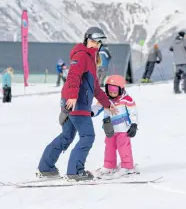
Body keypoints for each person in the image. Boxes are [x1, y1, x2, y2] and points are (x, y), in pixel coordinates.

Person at [37, 26, 117, 182]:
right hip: (76, 103)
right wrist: (72, 97)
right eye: (93, 40)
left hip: (74, 102)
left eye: (98, 42)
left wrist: (107, 104)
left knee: (66, 136)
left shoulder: (90, 59)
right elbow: (73, 76)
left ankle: (46, 167)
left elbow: (95, 88)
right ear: (86, 40)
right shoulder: (81, 55)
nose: (95, 44)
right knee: (87, 136)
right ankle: (75, 172)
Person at [91, 75, 138, 178]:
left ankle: (127, 167)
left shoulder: (127, 99)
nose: (112, 92)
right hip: (110, 129)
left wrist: (134, 124)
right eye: (109, 89)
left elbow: (133, 112)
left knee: (124, 147)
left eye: (115, 90)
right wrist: (91, 112)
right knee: (109, 147)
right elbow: (97, 107)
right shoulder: (106, 100)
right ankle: (109, 165)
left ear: (121, 89)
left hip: (123, 129)